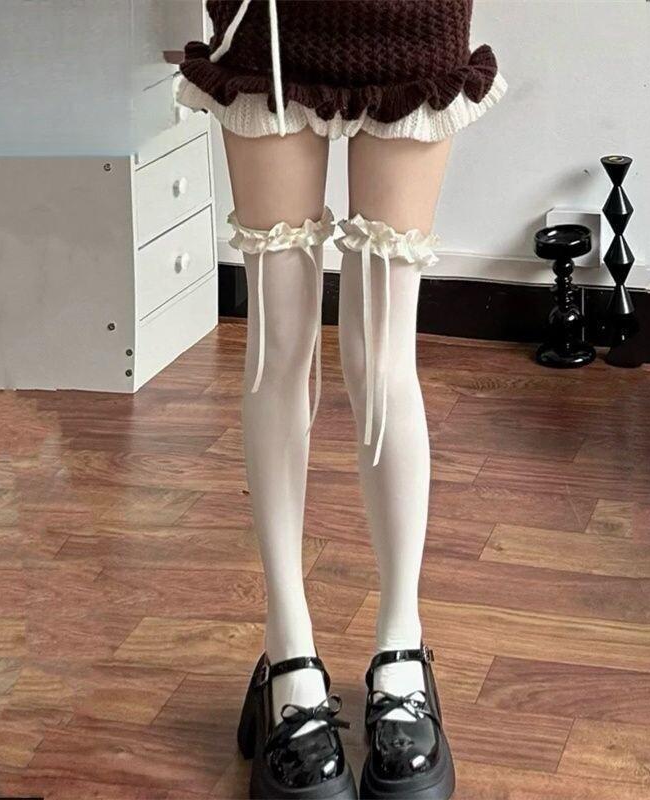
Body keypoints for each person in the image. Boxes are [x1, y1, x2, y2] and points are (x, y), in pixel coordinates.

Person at [177, 2, 505, 797]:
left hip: (412, 18)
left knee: (382, 355)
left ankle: (402, 642)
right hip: (271, 24)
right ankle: (288, 647)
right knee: (277, 346)